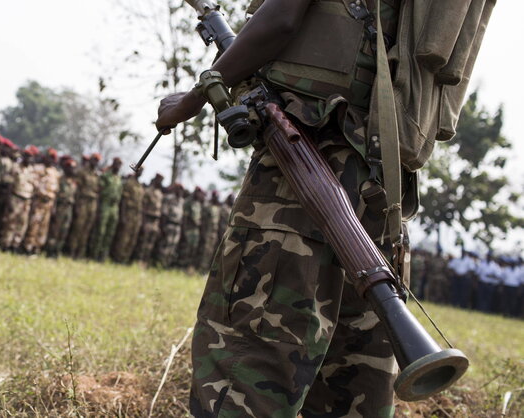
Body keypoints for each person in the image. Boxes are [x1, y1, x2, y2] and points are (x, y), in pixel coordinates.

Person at [154, 0, 409, 414]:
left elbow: (282, 19)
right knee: (349, 384)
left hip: (302, 175)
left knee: (248, 368)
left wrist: (193, 97)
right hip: (382, 185)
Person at [0, 146, 37, 252]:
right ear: (24, 156)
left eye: (31, 157)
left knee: (22, 223)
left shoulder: (32, 170)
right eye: (27, 156)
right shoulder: (16, 167)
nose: (29, 158)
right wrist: (8, 200)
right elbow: (9, 184)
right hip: (16, 197)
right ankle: (6, 243)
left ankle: (15, 245)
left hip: (27, 199)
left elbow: (34, 187)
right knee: (11, 222)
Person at [23, 149, 61, 255]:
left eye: (53, 159)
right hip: (39, 201)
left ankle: (37, 247)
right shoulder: (38, 169)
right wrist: (41, 193)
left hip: (48, 203)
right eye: (50, 158)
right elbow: (33, 183)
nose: (52, 160)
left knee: (43, 227)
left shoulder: (55, 173)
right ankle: (28, 246)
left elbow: (55, 190)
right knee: (33, 224)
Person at [88, 157, 123, 261]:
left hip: (114, 207)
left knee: (110, 232)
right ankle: (93, 254)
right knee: (100, 230)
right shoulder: (105, 176)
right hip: (105, 205)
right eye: (117, 164)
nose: (118, 167)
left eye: (120, 165)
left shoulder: (118, 178)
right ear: (113, 164)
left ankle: (103, 256)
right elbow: (100, 190)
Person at [66, 154, 100, 258]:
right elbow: (77, 188)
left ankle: (80, 253)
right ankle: (71, 251)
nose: (95, 162)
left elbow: (98, 190)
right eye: (94, 160)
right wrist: (76, 204)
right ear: (90, 160)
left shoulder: (96, 175)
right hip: (82, 202)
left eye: (97, 161)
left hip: (92, 204)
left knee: (86, 229)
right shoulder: (82, 172)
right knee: (78, 227)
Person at [45, 156, 78, 257]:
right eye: (69, 167)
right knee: (55, 230)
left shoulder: (73, 182)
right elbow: (55, 194)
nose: (72, 169)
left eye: (73, 167)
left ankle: (57, 251)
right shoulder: (60, 179)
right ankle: (50, 251)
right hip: (60, 207)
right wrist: (54, 208)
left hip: (68, 208)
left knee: (64, 230)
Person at [111, 166, 145, 264]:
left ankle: (125, 259)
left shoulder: (140, 186)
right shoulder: (129, 183)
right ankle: (117, 259)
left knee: (132, 237)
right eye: (140, 171)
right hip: (129, 213)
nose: (141, 173)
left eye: (142, 171)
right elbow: (124, 201)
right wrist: (123, 216)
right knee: (124, 237)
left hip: (136, 215)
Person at [133, 173, 164, 264]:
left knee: (150, 243)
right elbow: (143, 207)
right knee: (143, 242)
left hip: (155, 221)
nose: (160, 183)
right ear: (155, 180)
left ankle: (145, 261)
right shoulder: (148, 191)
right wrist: (142, 221)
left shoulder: (159, 194)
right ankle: (138, 260)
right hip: (147, 219)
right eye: (159, 181)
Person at [154, 183, 184, 268]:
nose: (180, 192)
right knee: (165, 246)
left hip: (177, 227)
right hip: (169, 225)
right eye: (179, 189)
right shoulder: (169, 199)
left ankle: (167, 265)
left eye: (181, 190)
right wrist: (163, 227)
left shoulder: (181, 201)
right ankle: (159, 264)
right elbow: (164, 214)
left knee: (173, 247)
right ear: (175, 190)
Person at [175, 187, 204, 270]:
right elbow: (185, 218)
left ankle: (188, 266)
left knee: (193, 249)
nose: (199, 194)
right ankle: (181, 266)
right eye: (198, 192)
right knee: (185, 248)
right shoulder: (188, 202)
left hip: (195, 230)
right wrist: (183, 231)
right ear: (195, 192)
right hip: (188, 229)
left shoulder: (198, 203)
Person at [196, 190, 221, 271]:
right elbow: (203, 221)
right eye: (215, 196)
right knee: (205, 251)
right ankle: (201, 268)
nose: (217, 198)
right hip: (207, 232)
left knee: (211, 251)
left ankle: (206, 269)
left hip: (214, 233)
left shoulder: (218, 208)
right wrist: (203, 233)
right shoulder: (207, 207)